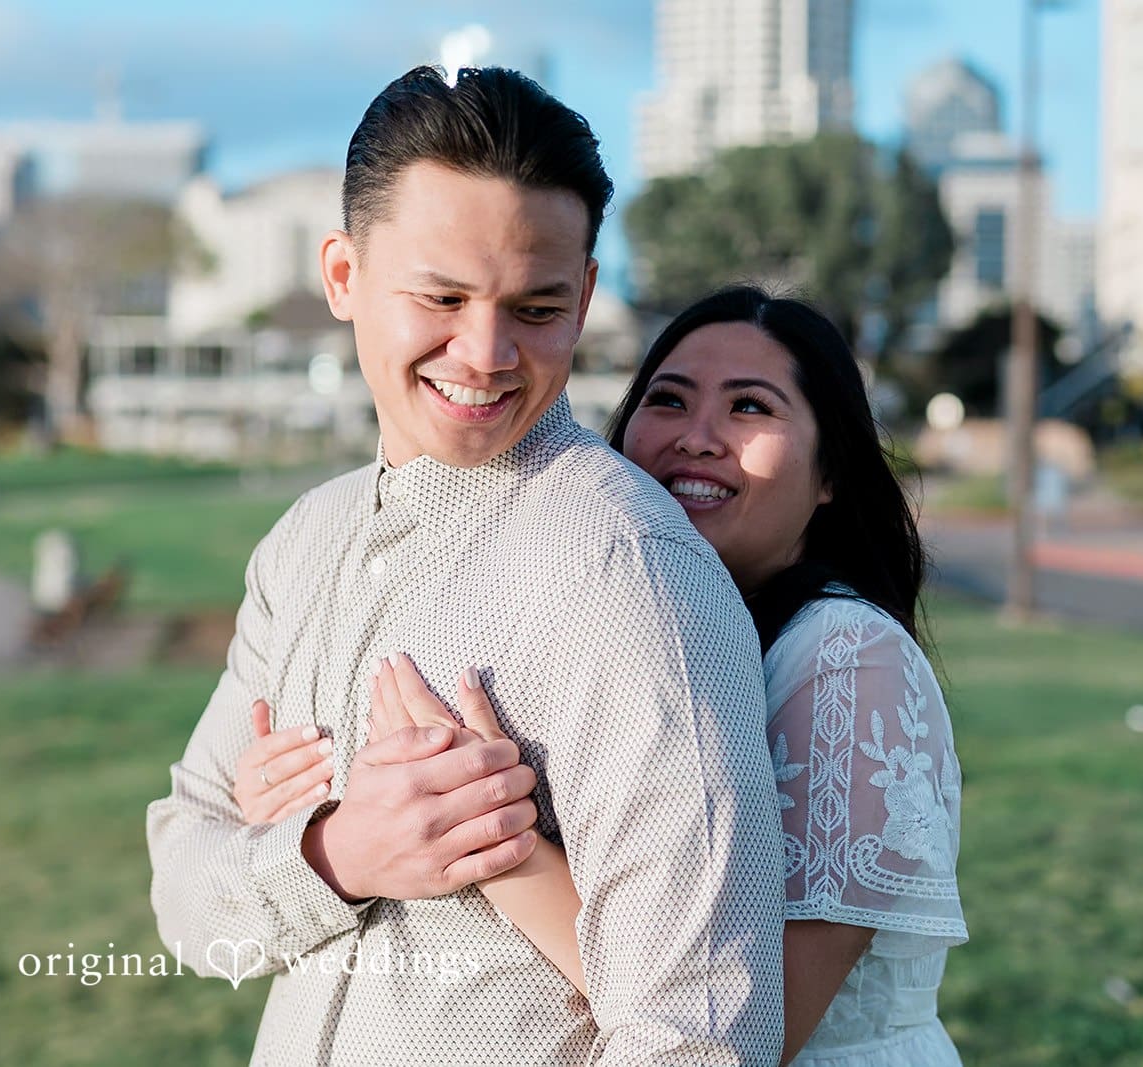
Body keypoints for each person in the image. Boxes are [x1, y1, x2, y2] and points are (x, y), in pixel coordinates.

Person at [146, 67, 787, 1065]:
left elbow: (701, 1030)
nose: (486, 352)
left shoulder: (628, 574)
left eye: (535, 307)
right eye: (441, 296)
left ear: (583, 297)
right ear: (344, 276)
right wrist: (334, 852)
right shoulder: (302, 544)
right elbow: (188, 901)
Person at [240, 287, 968, 1064]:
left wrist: (488, 824)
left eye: (750, 407)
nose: (698, 437)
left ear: (830, 472)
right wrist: (312, 799)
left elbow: (756, 1020)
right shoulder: (625, 622)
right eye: (668, 399)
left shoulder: (845, 661)